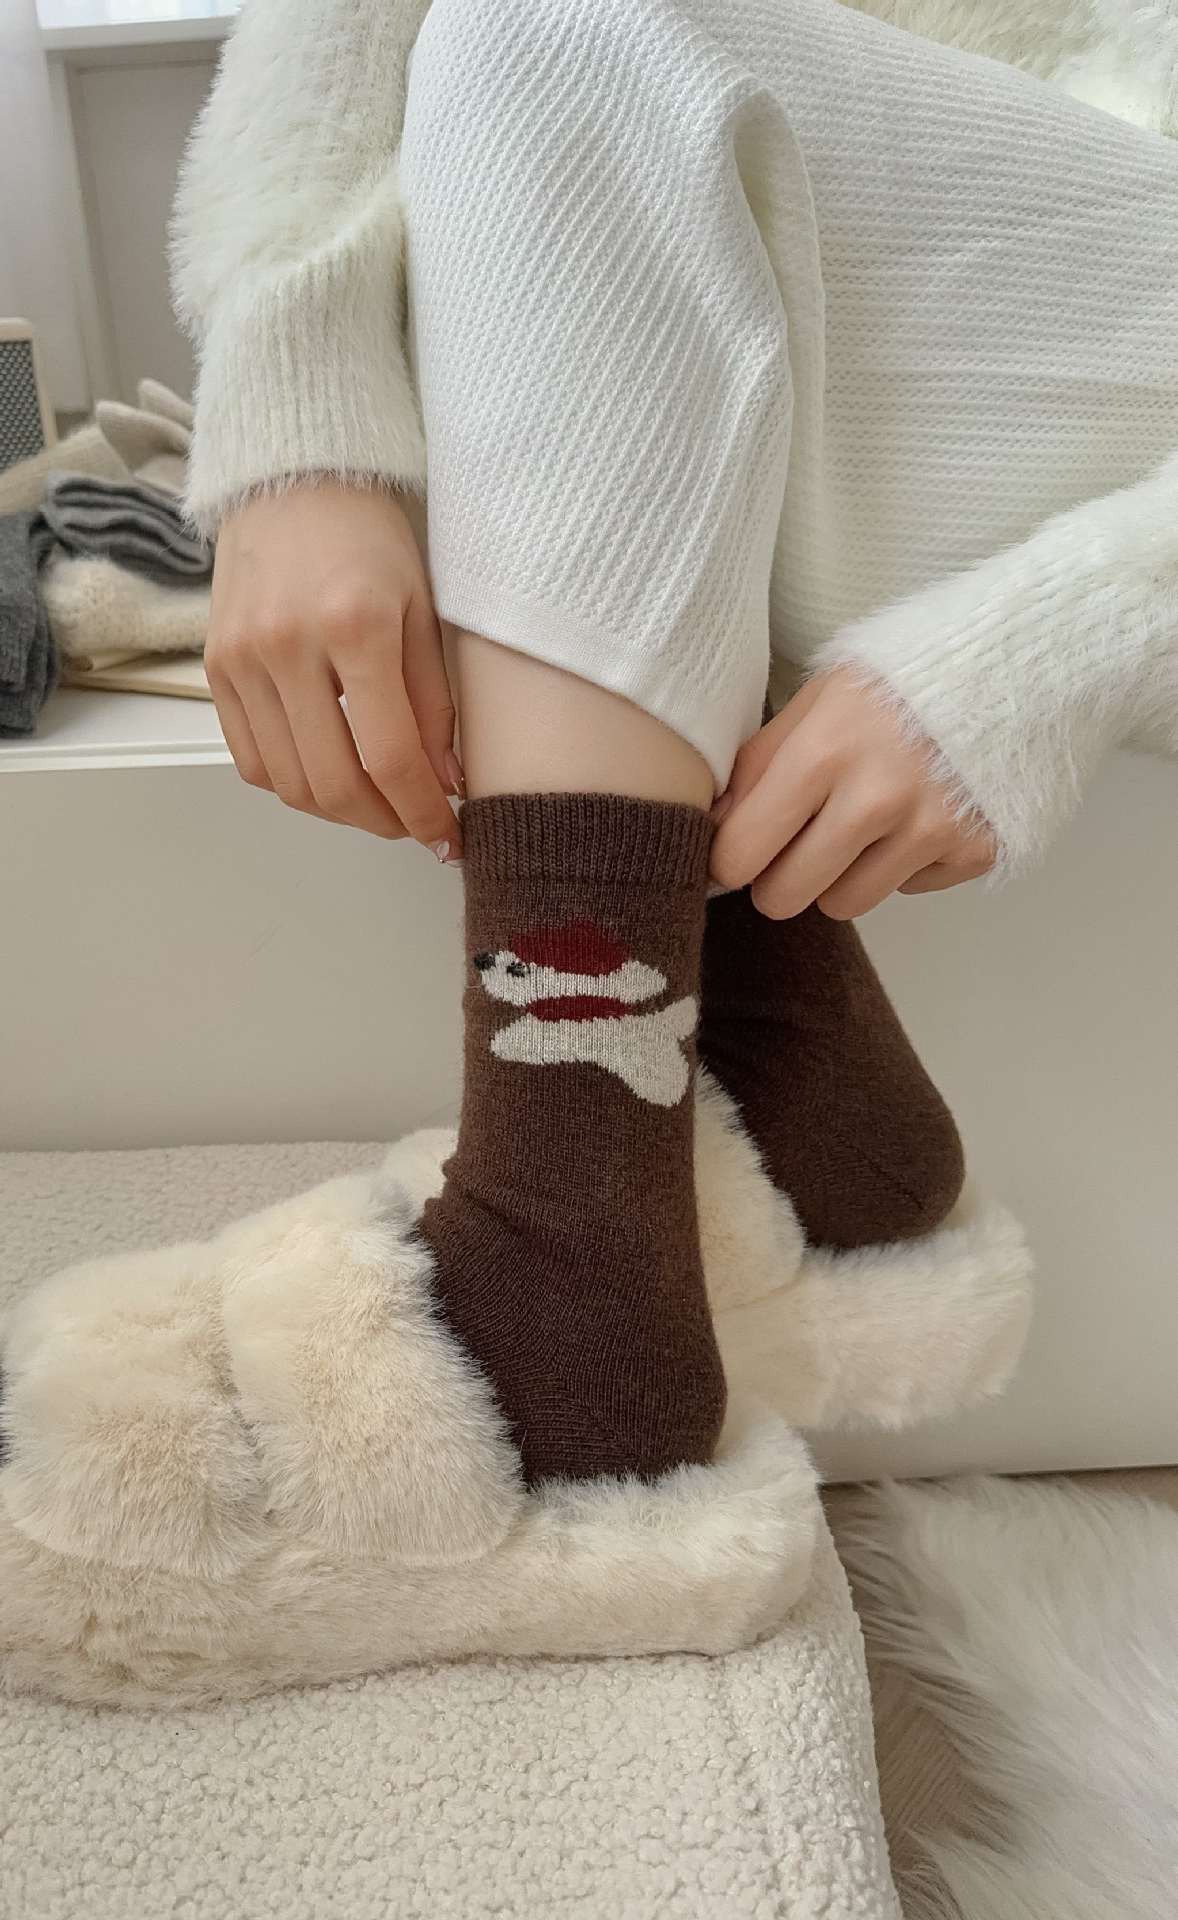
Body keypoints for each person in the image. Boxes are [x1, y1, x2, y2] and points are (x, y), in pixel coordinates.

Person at [169, 0, 1178, 1487]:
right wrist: (297, 425)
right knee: (510, 100)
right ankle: (768, 1078)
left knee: (552, 43)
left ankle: (560, 1278)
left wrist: (1072, 634)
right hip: (843, 245)